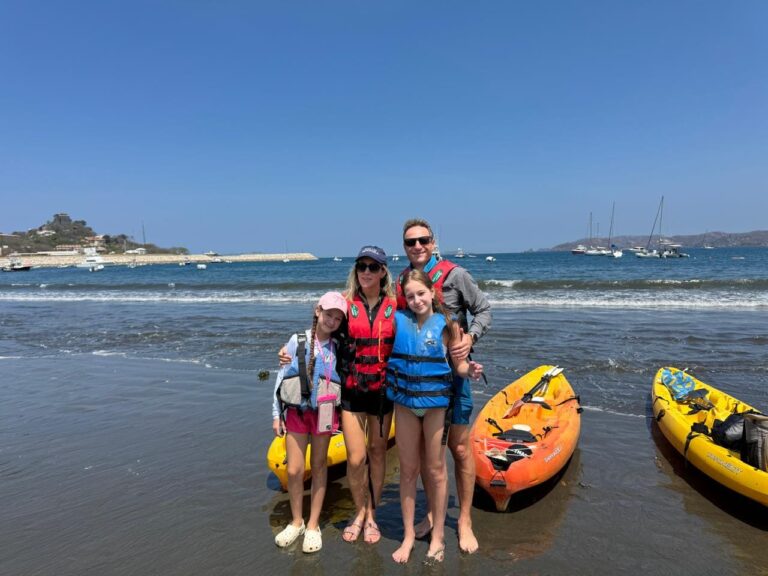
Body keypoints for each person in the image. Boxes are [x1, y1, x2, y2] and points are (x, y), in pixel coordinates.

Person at [396, 217, 492, 554]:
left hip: (455, 377)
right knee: (427, 454)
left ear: (433, 243)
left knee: (460, 449)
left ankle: (463, 520)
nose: (418, 246)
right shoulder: (402, 282)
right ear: (405, 247)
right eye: (411, 242)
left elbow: (483, 310)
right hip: (420, 384)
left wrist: (471, 338)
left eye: (423, 240)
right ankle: (432, 516)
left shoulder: (456, 275)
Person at [387, 269, 483, 564]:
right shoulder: (397, 321)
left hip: (435, 408)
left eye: (421, 294)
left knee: (436, 470)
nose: (416, 300)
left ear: (432, 293)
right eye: (411, 295)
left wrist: (472, 370)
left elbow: (460, 367)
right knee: (407, 471)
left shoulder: (448, 326)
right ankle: (407, 537)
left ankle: (438, 536)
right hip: (405, 406)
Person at [271, 292, 348, 554]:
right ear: (317, 311)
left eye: (338, 318)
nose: (332, 320)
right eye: (329, 314)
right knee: (294, 470)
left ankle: (313, 524)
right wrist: (275, 414)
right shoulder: (297, 340)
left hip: (325, 415)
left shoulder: (340, 345)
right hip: (296, 413)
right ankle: (296, 521)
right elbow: (282, 378)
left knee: (318, 466)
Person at [337, 245, 397, 545]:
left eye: (373, 267)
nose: (366, 272)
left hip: (382, 394)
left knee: (377, 452)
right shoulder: (345, 305)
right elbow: (320, 333)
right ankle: (359, 511)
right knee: (356, 457)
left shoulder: (396, 306)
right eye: (362, 266)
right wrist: (291, 351)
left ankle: (372, 514)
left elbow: (424, 330)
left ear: (383, 271)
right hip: (351, 392)